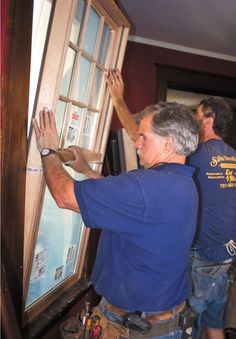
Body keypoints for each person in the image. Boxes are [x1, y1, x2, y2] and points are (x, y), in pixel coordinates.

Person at [32, 103, 199, 339]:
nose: (136, 143)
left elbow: (64, 196)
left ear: (168, 142)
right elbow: (127, 203)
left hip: (135, 328)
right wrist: (87, 171)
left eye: (143, 136)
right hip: (163, 319)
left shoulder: (147, 187)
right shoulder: (183, 183)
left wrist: (47, 151)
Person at [106, 70, 236, 338]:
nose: (192, 122)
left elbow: (139, 138)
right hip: (226, 256)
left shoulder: (196, 152)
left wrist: (118, 100)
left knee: (184, 326)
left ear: (209, 120)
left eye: (197, 117)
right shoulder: (233, 156)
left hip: (202, 257)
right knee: (214, 323)